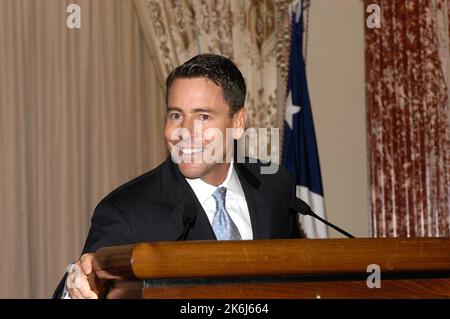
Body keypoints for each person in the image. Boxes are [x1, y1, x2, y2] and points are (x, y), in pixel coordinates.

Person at [53, 53, 301, 299]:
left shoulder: (276, 185)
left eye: (203, 116)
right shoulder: (125, 211)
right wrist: (75, 286)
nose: (184, 132)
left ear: (237, 123)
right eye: (176, 115)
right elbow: (87, 278)